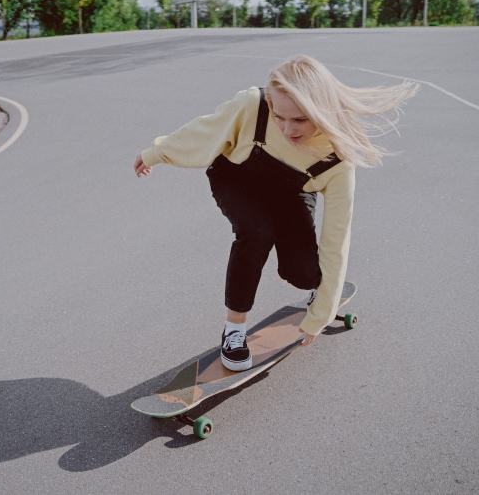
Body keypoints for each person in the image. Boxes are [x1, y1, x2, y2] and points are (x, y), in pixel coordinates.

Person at [133, 55, 417, 371]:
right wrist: (156, 152)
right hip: (237, 178)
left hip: (290, 195)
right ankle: (234, 332)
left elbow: (337, 239)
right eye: (280, 117)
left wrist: (321, 312)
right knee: (256, 232)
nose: (286, 128)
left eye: (300, 120)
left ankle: (315, 289)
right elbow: (204, 131)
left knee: (303, 273)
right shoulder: (253, 105)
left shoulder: (337, 160)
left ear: (321, 111)